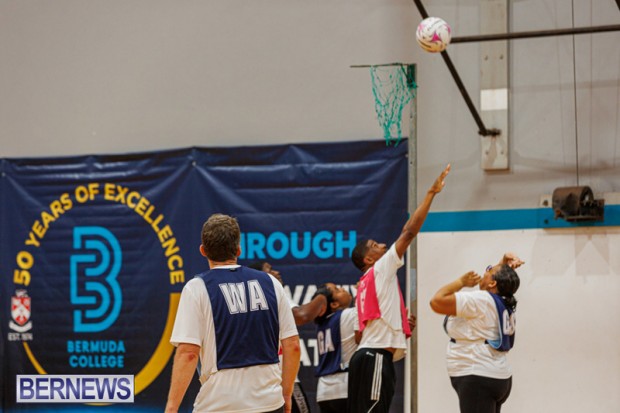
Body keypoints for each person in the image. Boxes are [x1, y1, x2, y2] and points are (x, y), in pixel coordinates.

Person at [165, 214, 301, 413]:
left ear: (203, 251)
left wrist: (171, 407)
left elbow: (188, 354)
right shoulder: (271, 283)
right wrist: (286, 394)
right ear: (238, 250)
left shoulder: (196, 288)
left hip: (220, 403)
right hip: (269, 401)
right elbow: (293, 346)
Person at [347, 164, 451, 413]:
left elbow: (360, 335)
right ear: (368, 259)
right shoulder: (380, 268)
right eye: (375, 245)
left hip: (365, 356)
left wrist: (399, 326)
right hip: (375, 357)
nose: (383, 245)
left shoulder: (364, 285)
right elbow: (409, 232)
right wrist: (431, 194)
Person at [429, 253, 524, 413]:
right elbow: (497, 279)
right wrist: (502, 265)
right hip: (495, 374)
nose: (485, 270)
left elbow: (436, 302)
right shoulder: (500, 298)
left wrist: (460, 282)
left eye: (489, 269)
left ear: (493, 282)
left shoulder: (482, 300)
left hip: (478, 375)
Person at [249, 260, 327, 413]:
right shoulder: (274, 293)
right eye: (270, 270)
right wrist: (323, 296)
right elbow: (301, 316)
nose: (276, 272)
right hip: (281, 379)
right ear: (260, 276)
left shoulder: (245, 302)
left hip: (255, 384)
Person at [310, 283, 360, 413]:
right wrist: (363, 291)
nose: (343, 288)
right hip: (344, 387)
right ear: (334, 304)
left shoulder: (321, 324)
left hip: (323, 392)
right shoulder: (347, 315)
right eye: (337, 290)